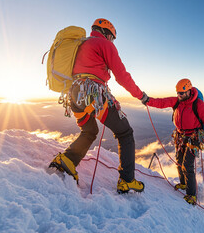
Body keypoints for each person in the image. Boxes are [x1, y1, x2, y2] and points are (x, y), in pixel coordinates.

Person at [49, 18, 149, 194]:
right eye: (112, 37)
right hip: (92, 93)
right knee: (125, 132)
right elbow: (122, 76)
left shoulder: (81, 44)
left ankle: (68, 160)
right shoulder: (104, 44)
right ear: (107, 33)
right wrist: (140, 95)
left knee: (89, 131)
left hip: (75, 95)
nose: (111, 41)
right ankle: (127, 180)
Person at [143, 78, 204, 205]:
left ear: (189, 91)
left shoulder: (199, 105)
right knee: (179, 160)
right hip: (180, 135)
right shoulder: (177, 101)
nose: (179, 96)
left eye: (181, 93)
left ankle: (191, 195)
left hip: (194, 137)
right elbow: (162, 102)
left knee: (187, 165)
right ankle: (183, 184)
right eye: (178, 93)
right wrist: (148, 100)